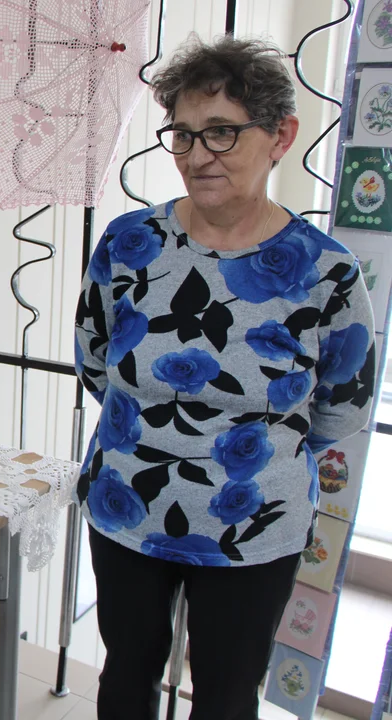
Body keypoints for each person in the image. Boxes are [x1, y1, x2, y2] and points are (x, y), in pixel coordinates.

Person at [73, 36, 376, 720]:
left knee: (227, 695)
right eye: (182, 135)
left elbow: (343, 404)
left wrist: (251, 452)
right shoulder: (130, 244)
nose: (197, 154)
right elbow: (95, 358)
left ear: (280, 137)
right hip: (127, 506)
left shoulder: (326, 272)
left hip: (254, 523)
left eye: (221, 132)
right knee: (125, 678)